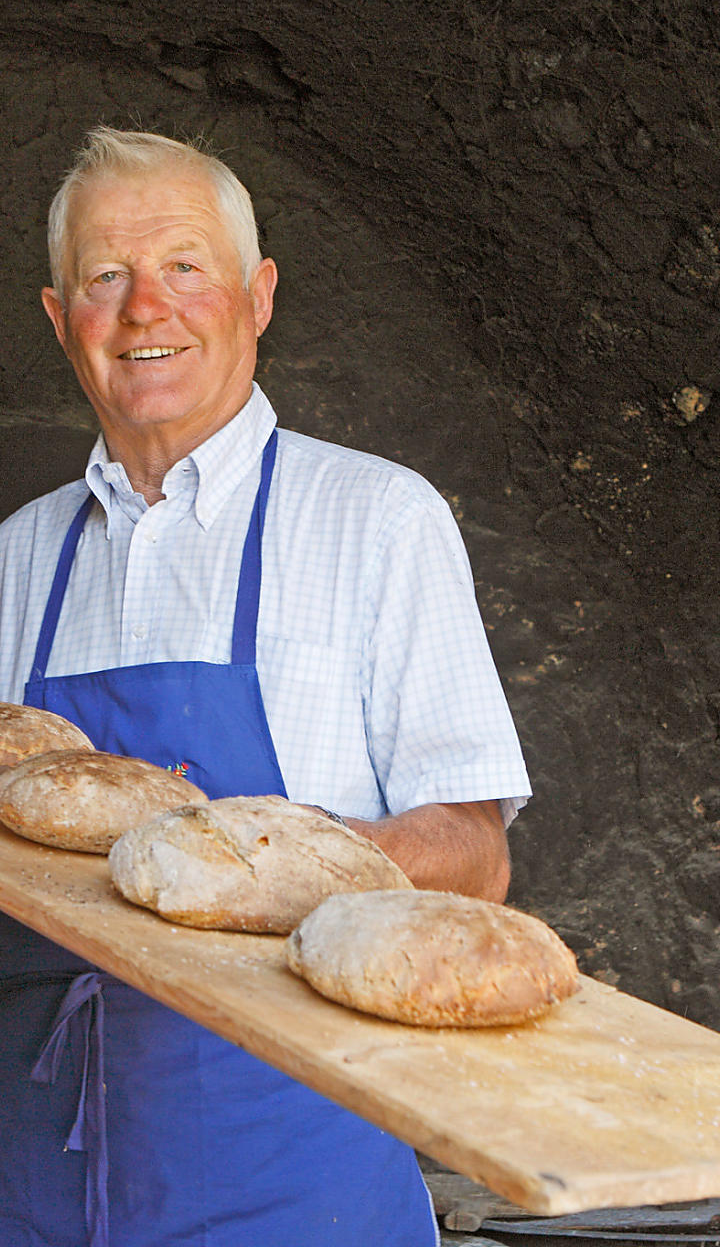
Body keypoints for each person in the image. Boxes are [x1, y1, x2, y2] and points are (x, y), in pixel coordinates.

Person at [0, 127, 531, 1247]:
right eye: (106, 276)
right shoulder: (15, 557)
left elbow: (477, 854)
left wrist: (288, 857)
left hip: (295, 1181)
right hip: (32, 1182)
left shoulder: (376, 519)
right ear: (60, 317)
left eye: (186, 265)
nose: (147, 308)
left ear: (258, 295)